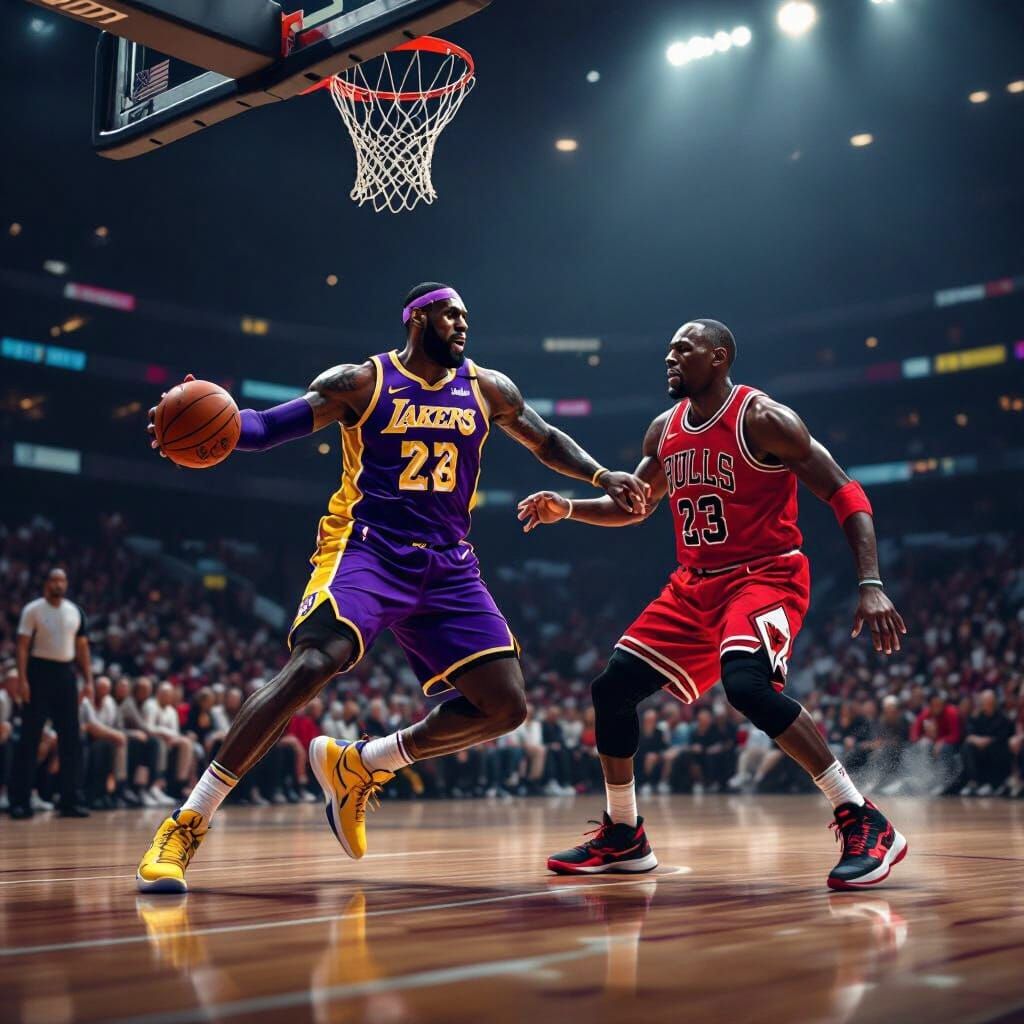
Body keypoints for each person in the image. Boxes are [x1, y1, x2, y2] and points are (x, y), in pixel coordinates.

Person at [136, 281, 646, 892]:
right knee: (314, 663)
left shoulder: (489, 388)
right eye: (450, 315)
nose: (462, 325)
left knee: (505, 706)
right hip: (368, 548)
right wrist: (196, 423)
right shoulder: (361, 383)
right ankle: (187, 823)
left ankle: (361, 765)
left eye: (465, 316)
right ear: (417, 320)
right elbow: (266, 427)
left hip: (449, 563)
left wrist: (601, 474)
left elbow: (546, 439)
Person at [520, 318, 909, 890]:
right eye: (668, 350)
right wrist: (570, 508)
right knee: (612, 689)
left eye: (684, 349)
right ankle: (624, 835)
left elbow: (845, 492)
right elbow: (636, 506)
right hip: (694, 585)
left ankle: (862, 817)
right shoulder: (664, 430)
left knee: (747, 686)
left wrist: (870, 582)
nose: (670, 358)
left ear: (719, 357)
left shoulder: (764, 418)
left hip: (765, 576)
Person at [9, 568, 92, 819]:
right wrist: (22, 679)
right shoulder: (33, 609)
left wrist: (88, 680)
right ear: (46, 583)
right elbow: (22, 647)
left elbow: (82, 648)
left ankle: (70, 800)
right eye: (54, 580)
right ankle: (20, 801)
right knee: (30, 737)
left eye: (62, 580)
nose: (59, 584)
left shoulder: (75, 611)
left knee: (71, 739)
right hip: (38, 672)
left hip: (66, 673)